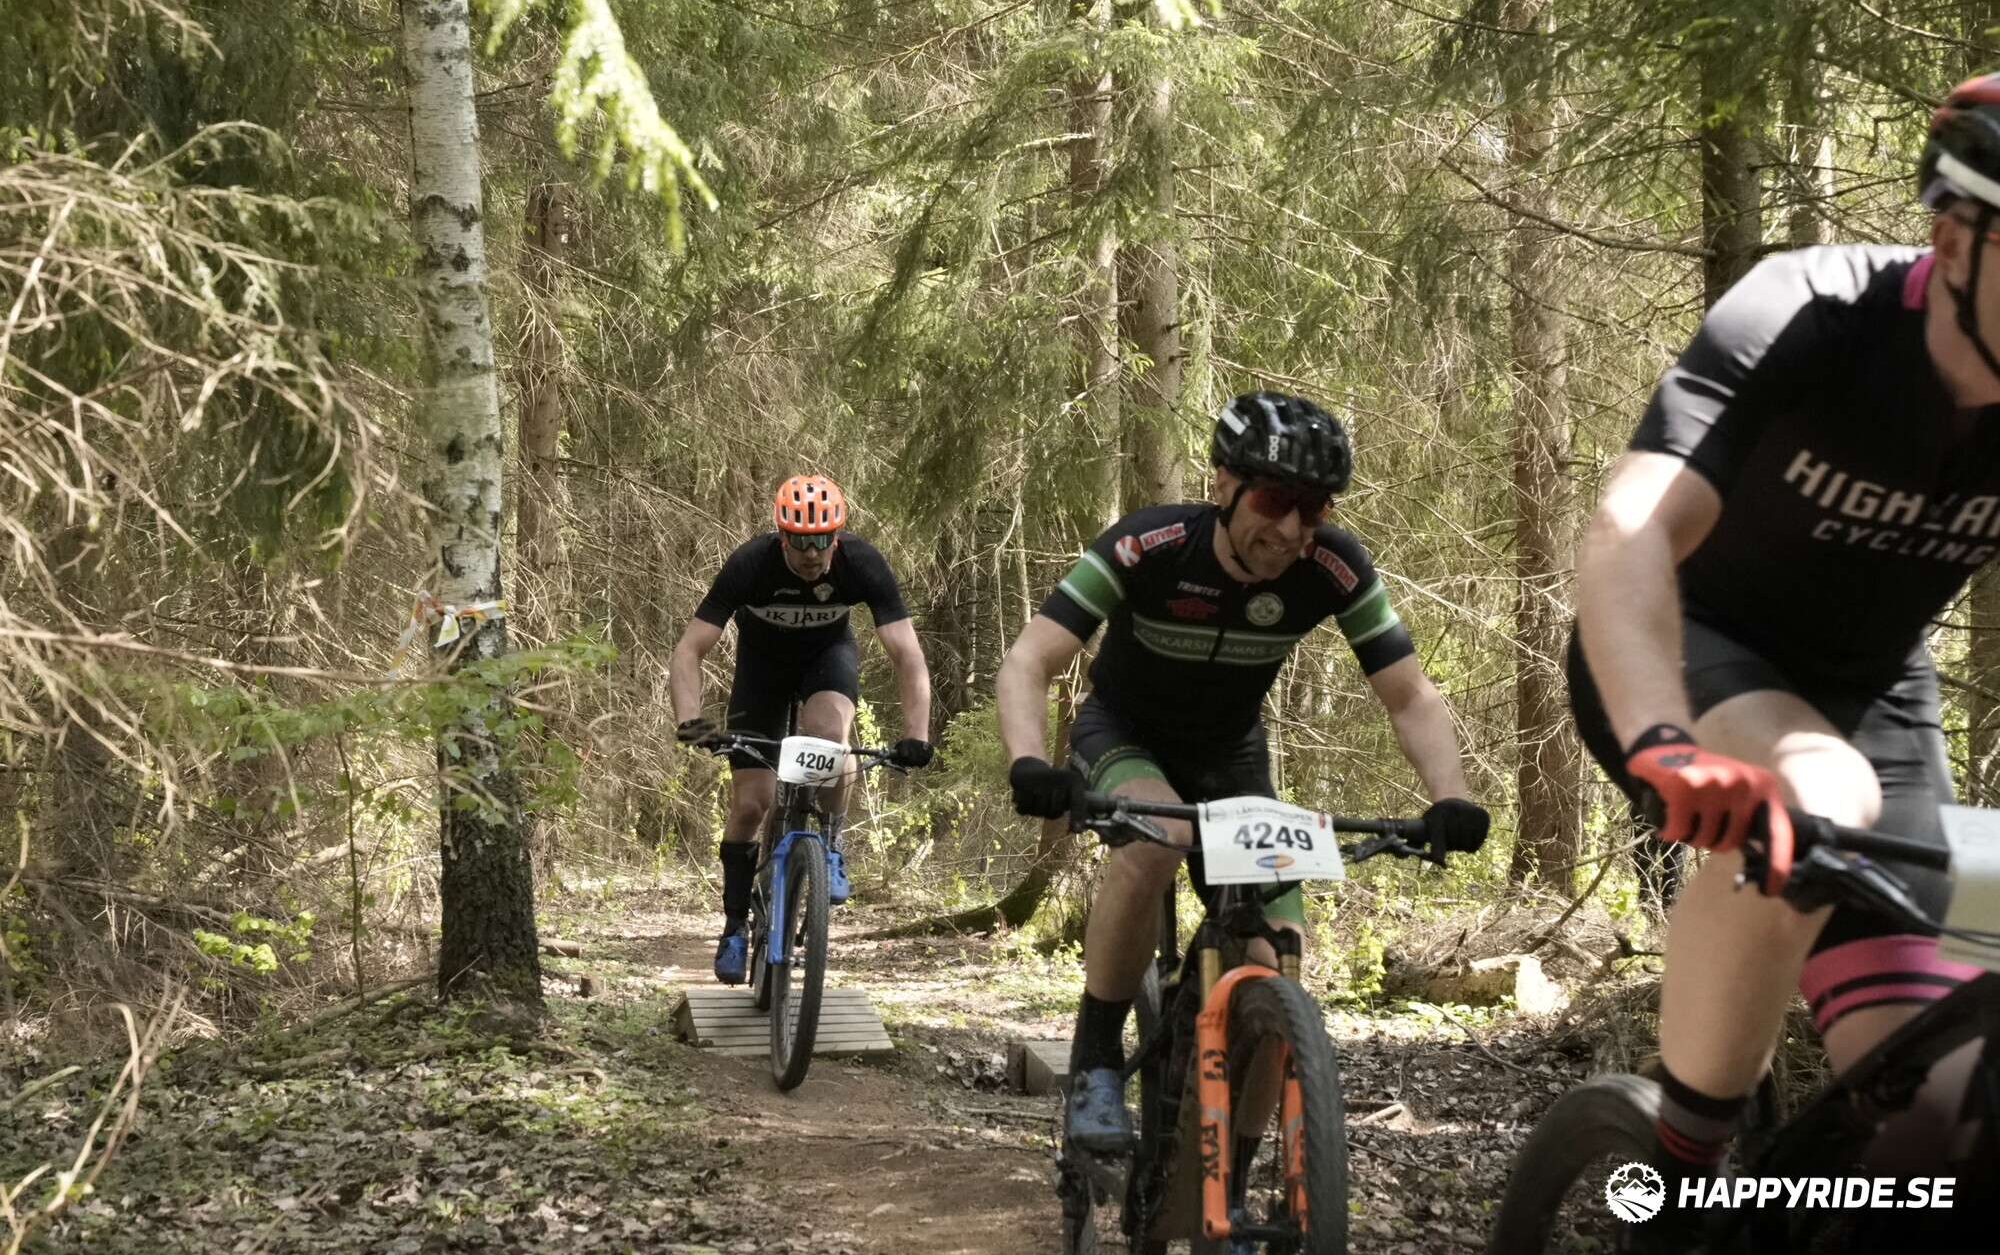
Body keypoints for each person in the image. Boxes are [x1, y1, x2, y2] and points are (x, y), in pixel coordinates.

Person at [1568, 75, 2000, 1245]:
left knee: (1937, 1118)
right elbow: (1628, 531)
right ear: (1950, 240)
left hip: (1872, 692)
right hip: (1680, 652)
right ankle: (1678, 1183)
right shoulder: (1807, 310)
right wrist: (1662, 742)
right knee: (1818, 792)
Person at [995, 391, 1487, 1151]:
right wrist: (1030, 761)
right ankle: (1096, 1062)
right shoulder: (1150, 544)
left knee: (1278, 968)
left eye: (1312, 509)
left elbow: (1410, 694)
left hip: (1230, 756)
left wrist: (1451, 796)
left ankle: (1237, 1179)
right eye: (1274, 500)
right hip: (1124, 733)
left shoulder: (1333, 567)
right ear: (1223, 484)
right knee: (1156, 840)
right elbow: (1031, 659)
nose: (1290, 529)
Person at [670, 475, 933, 984]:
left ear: (837, 536)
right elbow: (689, 649)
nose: (812, 554)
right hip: (761, 670)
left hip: (826, 660)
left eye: (822, 540)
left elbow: (907, 654)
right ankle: (734, 926)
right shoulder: (751, 564)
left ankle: (829, 846)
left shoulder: (861, 562)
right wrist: (689, 718)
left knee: (829, 737)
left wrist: (917, 734)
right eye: (800, 541)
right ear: (781, 536)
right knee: (752, 804)